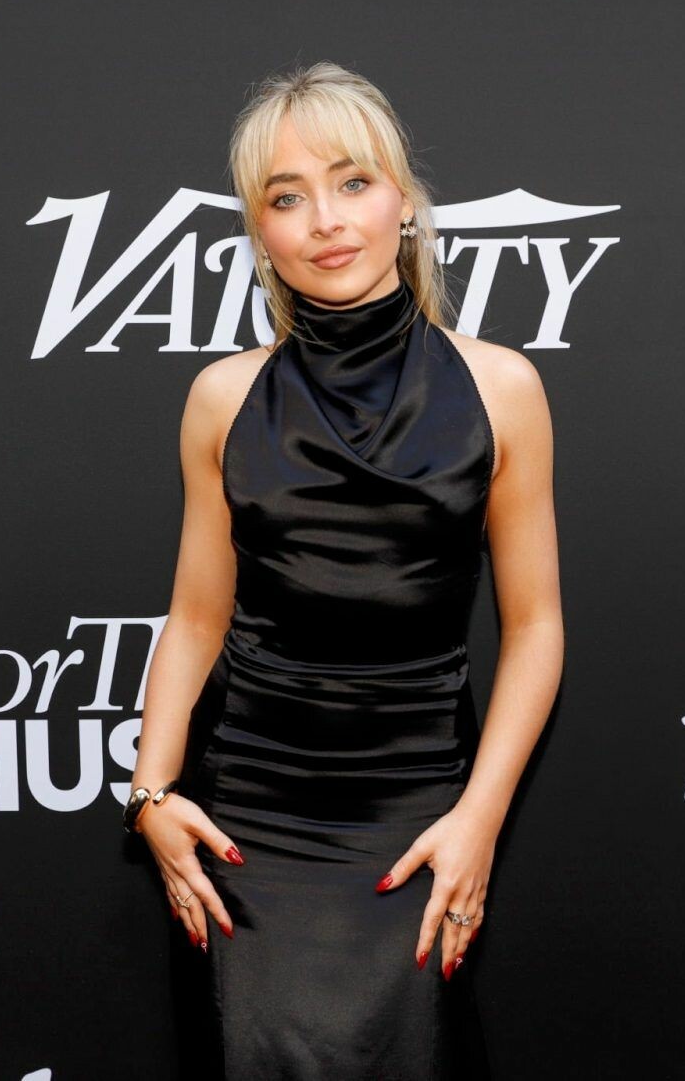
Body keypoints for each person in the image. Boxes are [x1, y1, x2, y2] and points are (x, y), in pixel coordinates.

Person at [124, 60, 564, 1080]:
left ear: (404, 202)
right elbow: (196, 618)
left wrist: (479, 820)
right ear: (259, 232)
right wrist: (150, 796)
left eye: (353, 182)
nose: (325, 220)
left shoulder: (502, 388)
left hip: (420, 818)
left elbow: (537, 625)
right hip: (250, 821)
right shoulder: (222, 397)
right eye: (287, 197)